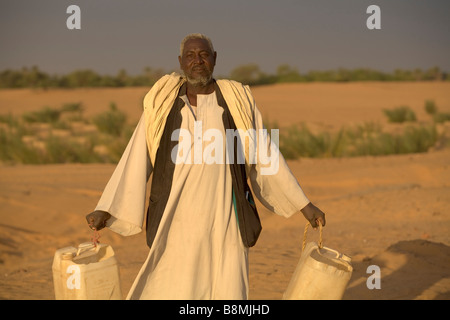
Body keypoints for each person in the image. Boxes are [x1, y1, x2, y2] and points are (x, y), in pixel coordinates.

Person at [86, 33, 325, 300]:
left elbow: (266, 154)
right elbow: (135, 158)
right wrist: (105, 209)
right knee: (168, 285)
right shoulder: (163, 105)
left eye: (203, 54)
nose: (197, 61)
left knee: (226, 287)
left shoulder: (237, 102)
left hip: (226, 218)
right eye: (190, 55)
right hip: (176, 218)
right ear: (180, 62)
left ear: (214, 59)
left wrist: (304, 205)